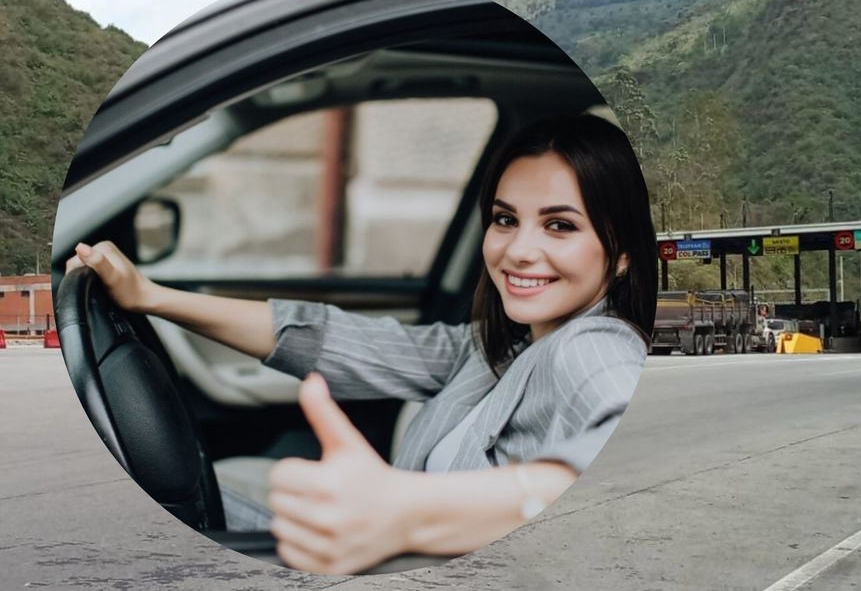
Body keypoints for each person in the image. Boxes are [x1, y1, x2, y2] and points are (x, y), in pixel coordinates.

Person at [67, 115, 656, 574]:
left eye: (560, 225)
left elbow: (616, 471)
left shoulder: (595, 349)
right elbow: (334, 340)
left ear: (623, 252)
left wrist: (410, 512)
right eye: (506, 219)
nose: (519, 250)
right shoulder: (495, 349)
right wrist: (151, 297)